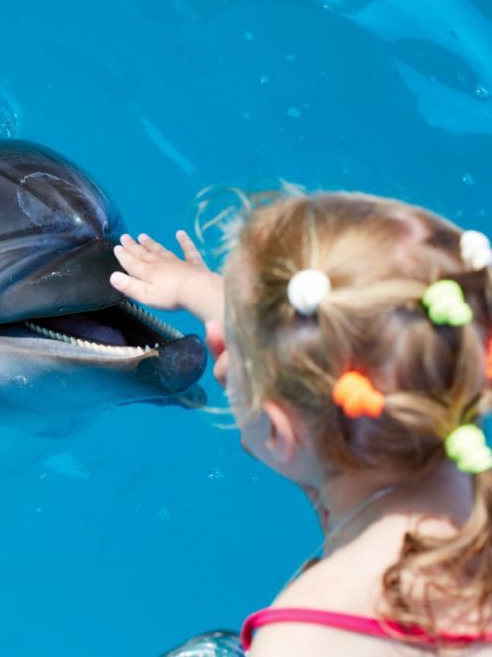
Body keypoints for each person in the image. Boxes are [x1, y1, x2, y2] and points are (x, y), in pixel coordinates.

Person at [109, 191, 492, 656]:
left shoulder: (302, 638)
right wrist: (201, 291)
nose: (218, 336)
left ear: (275, 433)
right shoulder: (466, 491)